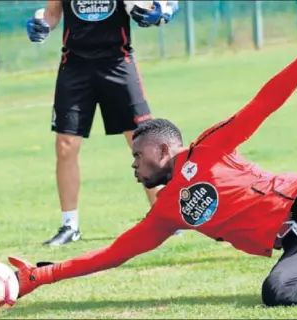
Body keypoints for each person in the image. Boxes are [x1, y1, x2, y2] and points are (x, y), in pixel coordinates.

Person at [11, 3, 297, 306]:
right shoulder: (167, 213)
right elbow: (111, 255)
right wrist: (42, 275)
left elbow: (265, 103)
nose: (133, 163)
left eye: (137, 155)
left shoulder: (209, 148)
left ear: (164, 148)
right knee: (278, 292)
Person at [26, 0, 181, 245]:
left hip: (118, 63)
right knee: (65, 145)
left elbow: (157, 7)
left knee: (144, 140)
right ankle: (70, 226)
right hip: (75, 66)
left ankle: (166, 216)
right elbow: (53, 13)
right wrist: (41, 24)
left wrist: (161, 11)